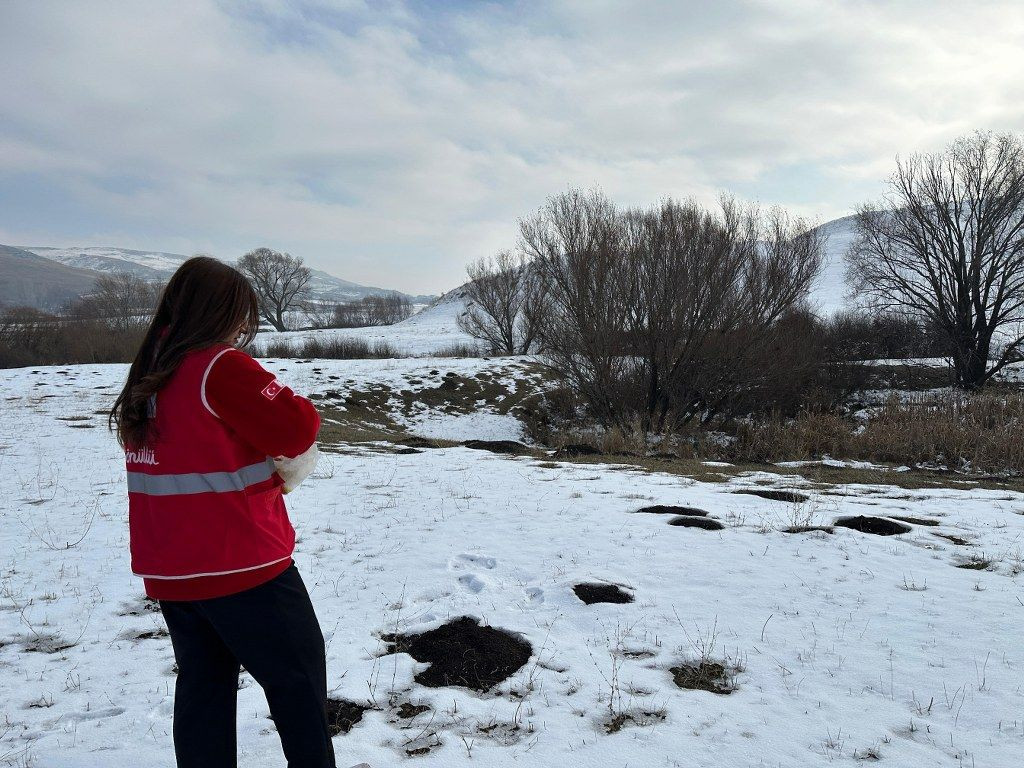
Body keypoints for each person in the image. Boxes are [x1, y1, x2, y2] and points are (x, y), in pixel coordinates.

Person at [110, 256, 336, 768]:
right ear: (221, 314)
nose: (242, 329)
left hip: (173, 570)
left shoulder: (151, 371)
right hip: (243, 564)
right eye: (241, 316)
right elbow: (297, 427)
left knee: (204, 691)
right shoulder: (218, 365)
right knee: (298, 680)